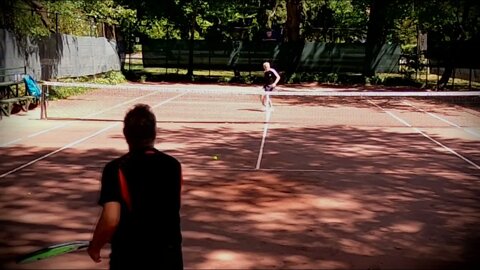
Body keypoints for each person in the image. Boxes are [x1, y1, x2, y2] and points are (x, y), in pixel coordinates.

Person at [87, 104, 184, 270]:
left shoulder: (115, 168)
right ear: (154, 133)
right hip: (169, 256)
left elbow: (111, 219)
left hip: (130, 258)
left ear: (125, 134)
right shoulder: (173, 165)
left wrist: (95, 246)